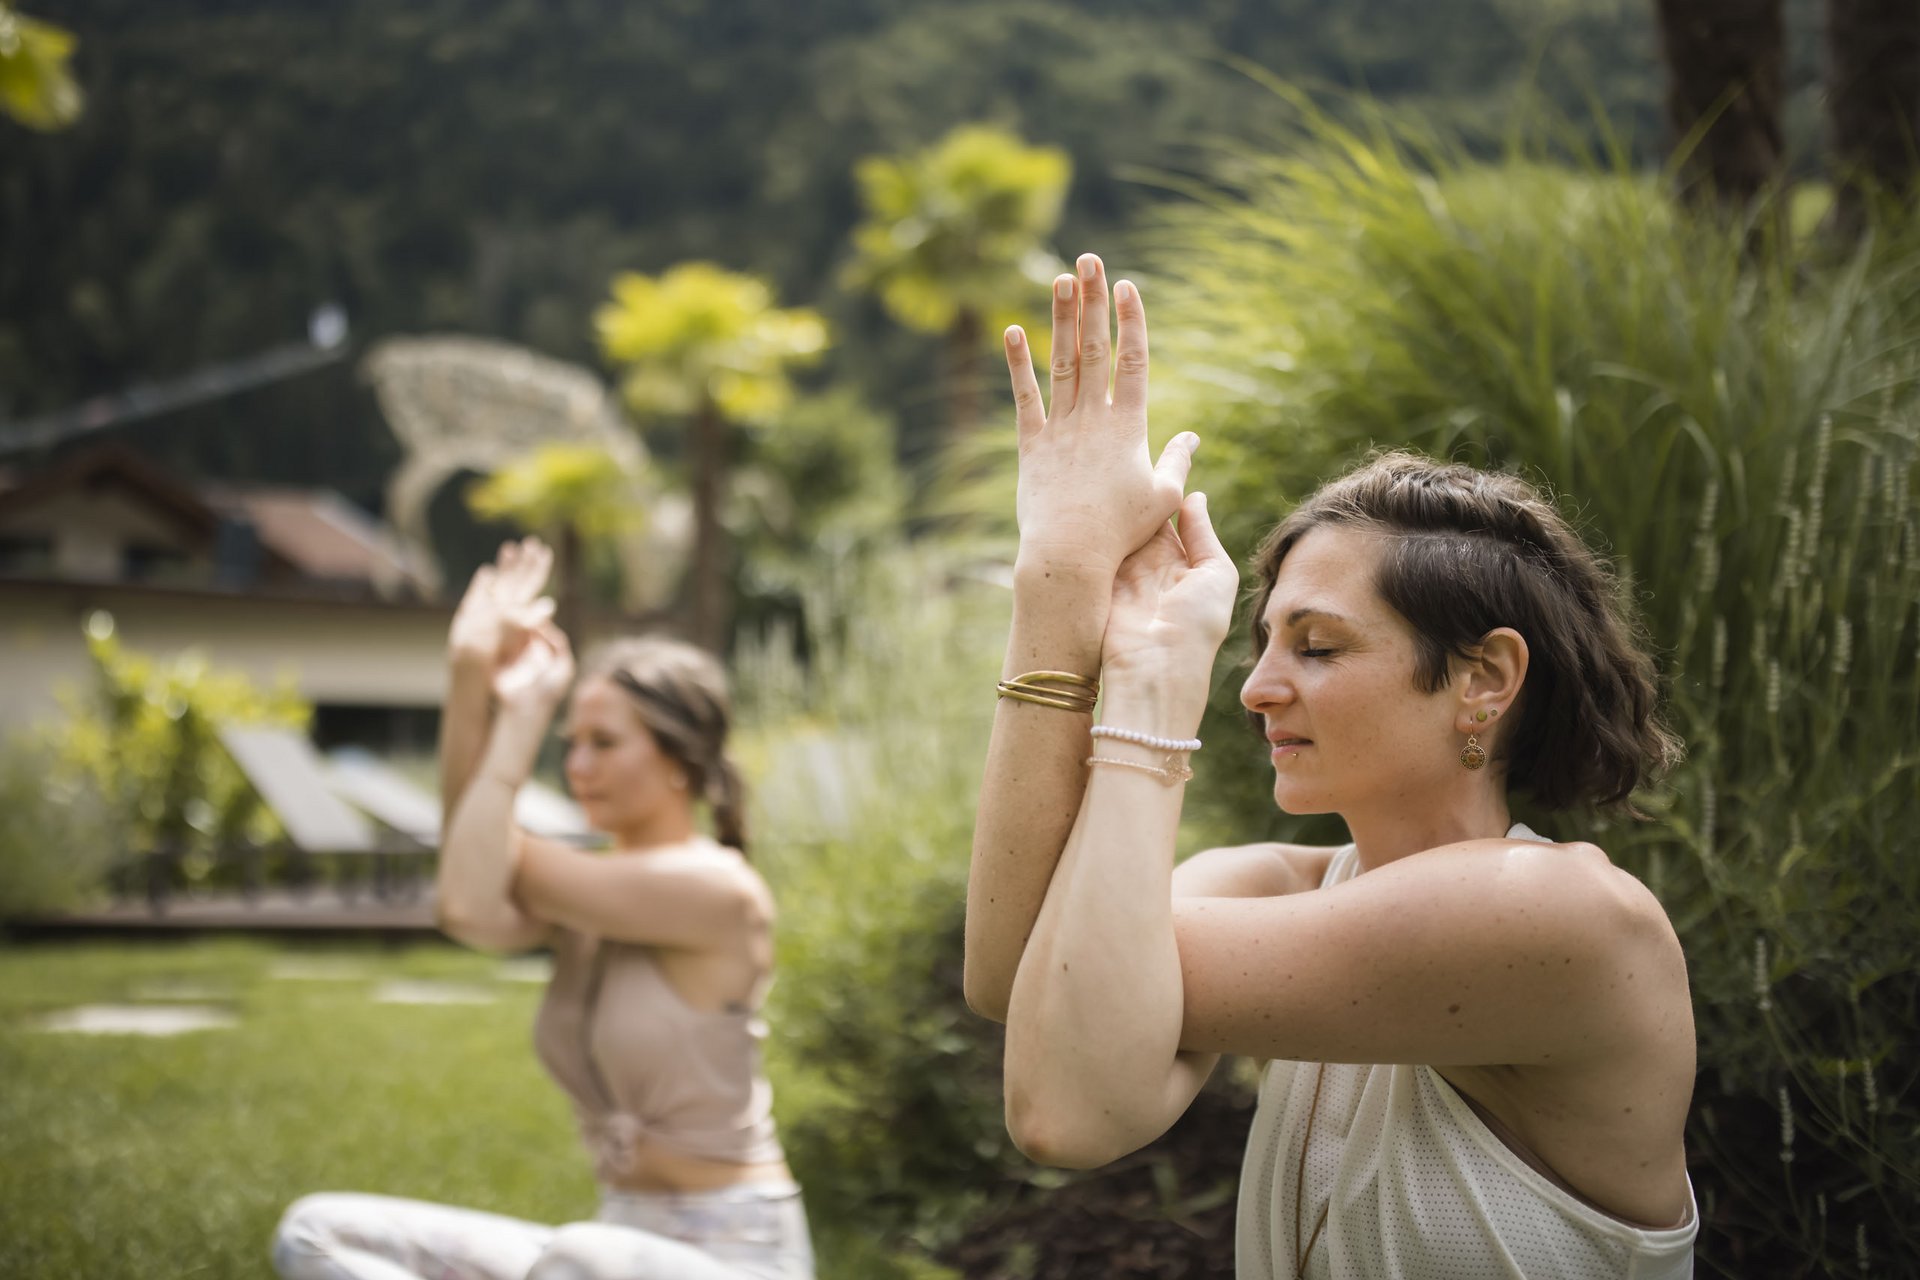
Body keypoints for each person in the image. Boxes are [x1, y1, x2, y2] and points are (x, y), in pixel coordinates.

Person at [966, 253, 1698, 1278]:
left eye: (1317, 646)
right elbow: (1021, 982)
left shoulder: (1561, 914)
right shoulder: (1274, 884)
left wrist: (1153, 694)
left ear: (1484, 676)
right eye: (1259, 642)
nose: (1257, 686)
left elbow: (1064, 1110)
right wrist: (1057, 580)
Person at [273, 538, 812, 1280]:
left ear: (679, 761)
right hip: (617, 1245)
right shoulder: (588, 892)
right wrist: (470, 675)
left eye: (603, 743)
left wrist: (521, 721)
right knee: (317, 1233)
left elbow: (470, 880)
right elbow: (469, 895)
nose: (579, 767)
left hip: (737, 1254)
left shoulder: (714, 888)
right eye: (570, 742)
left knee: (575, 1257)